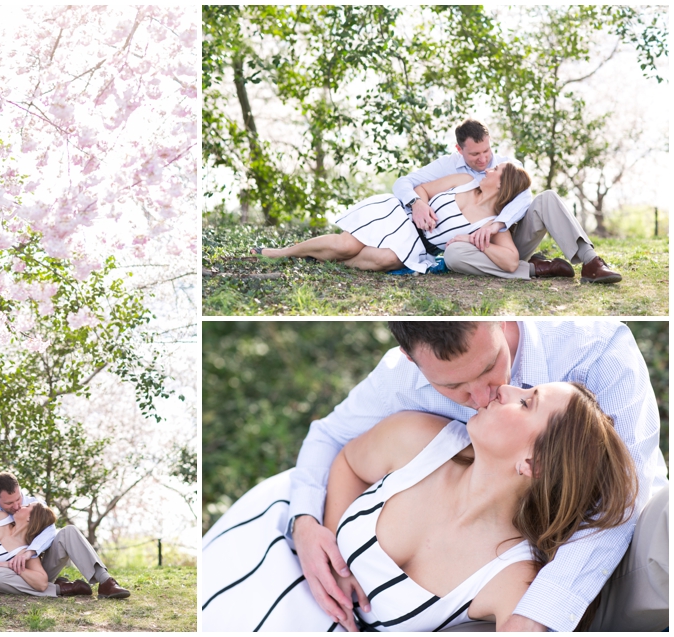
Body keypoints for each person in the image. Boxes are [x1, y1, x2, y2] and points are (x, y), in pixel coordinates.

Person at [288, 321, 667, 631]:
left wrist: (534, 616)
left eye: (489, 368)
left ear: (499, 317)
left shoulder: (595, 346)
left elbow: (624, 501)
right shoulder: (405, 400)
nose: (490, 393)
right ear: (410, 360)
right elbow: (332, 437)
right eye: (453, 387)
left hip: (628, 550)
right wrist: (310, 525)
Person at [202, 382, 637, 631]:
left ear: (533, 462)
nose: (505, 388)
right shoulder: (420, 440)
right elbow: (349, 462)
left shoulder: (511, 578)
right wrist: (332, 544)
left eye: (526, 402)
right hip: (270, 544)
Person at [393, 119, 622, 283]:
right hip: (482, 248)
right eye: (475, 155)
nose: (483, 160)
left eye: (486, 150)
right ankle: (536, 268)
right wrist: (416, 203)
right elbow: (404, 182)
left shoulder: (506, 165)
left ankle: (591, 262)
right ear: (459, 150)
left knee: (548, 198)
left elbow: (524, 197)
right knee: (454, 255)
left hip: (510, 237)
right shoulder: (448, 166)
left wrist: (496, 225)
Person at [250, 162, 531, 275]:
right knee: (347, 245)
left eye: (496, 169)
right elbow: (422, 189)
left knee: (388, 260)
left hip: (418, 243)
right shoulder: (465, 180)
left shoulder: (494, 222)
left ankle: (317, 257)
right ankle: (282, 252)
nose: (489, 168)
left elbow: (509, 260)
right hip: (398, 213)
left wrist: (476, 241)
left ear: (503, 183)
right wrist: (420, 205)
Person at [0, 472, 130, 599]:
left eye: (18, 500)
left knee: (69, 532)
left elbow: (50, 531)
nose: (16, 506)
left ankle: (105, 582)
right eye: (9, 504)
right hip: (12, 572)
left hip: (37, 564)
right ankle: (62, 589)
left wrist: (27, 553)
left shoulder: (32, 506)